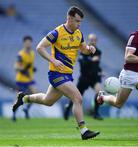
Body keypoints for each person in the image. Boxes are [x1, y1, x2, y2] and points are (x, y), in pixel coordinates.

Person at [12, 6, 100, 140]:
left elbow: (83, 50)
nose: (79, 24)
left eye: (80, 22)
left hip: (67, 74)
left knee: (48, 101)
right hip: (57, 74)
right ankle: (84, 131)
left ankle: (24, 98)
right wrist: (53, 60)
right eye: (77, 21)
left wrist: (90, 49)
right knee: (78, 98)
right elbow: (40, 47)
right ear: (69, 19)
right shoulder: (57, 33)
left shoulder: (79, 34)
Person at [97, 15, 138, 132]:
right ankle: (103, 97)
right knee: (118, 103)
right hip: (129, 74)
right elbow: (128, 57)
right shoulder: (134, 37)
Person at [64, 33, 103, 120]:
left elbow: (96, 65)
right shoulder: (84, 51)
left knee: (99, 92)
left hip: (94, 78)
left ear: (96, 41)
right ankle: (68, 108)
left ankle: (96, 113)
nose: (92, 42)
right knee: (76, 97)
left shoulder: (98, 52)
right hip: (84, 78)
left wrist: (100, 71)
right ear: (88, 41)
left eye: (94, 40)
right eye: (91, 40)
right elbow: (83, 63)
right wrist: (91, 60)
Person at [12, 36, 38, 121]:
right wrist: (22, 69)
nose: (28, 44)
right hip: (21, 80)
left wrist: (33, 69)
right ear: (24, 43)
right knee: (18, 98)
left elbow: (31, 65)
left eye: (29, 42)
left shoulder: (32, 53)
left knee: (35, 95)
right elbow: (16, 66)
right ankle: (14, 114)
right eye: (26, 42)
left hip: (29, 79)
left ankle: (26, 108)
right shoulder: (21, 54)